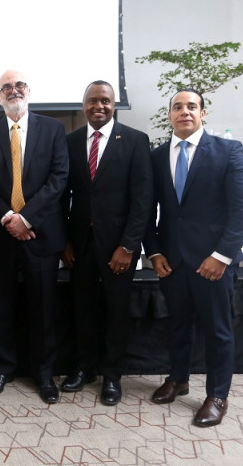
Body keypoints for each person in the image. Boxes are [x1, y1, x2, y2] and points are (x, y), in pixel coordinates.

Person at [144, 89, 243, 427]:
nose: (184, 112)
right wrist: (155, 251)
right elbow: (147, 210)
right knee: (177, 325)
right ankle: (178, 379)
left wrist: (221, 256)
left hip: (213, 263)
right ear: (169, 115)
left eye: (191, 106)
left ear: (202, 113)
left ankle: (217, 395)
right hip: (172, 260)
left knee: (216, 330)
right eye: (177, 107)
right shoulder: (157, 155)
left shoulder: (228, 151)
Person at [0, 70, 69, 404]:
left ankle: (44, 373)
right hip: (1, 234)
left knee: (43, 307)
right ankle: (4, 367)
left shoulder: (53, 129)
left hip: (40, 233)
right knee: (1, 305)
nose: (14, 91)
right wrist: (8, 217)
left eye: (20, 86)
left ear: (29, 91)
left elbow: (59, 178)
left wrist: (26, 218)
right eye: (7, 88)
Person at [60, 81, 153, 405]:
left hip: (119, 248)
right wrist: (64, 241)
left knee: (116, 312)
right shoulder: (70, 141)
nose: (98, 106)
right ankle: (84, 367)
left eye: (105, 101)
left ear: (114, 105)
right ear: (83, 105)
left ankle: (112, 375)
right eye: (92, 101)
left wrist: (128, 246)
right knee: (81, 309)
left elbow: (143, 201)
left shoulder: (135, 141)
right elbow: (62, 195)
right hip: (80, 244)